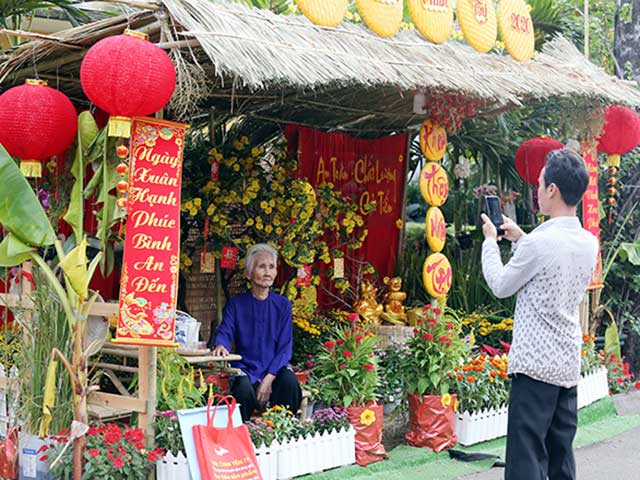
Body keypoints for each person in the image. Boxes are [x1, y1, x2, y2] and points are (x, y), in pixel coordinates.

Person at [480, 149, 598, 480]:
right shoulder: (588, 243)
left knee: (525, 459)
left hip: (534, 367)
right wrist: (522, 238)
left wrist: (491, 242)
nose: (537, 185)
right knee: (560, 457)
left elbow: (501, 285)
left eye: (541, 181)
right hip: (566, 364)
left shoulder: (540, 243)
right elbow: (552, 267)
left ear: (553, 190)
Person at [210, 243, 302, 422]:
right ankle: (242, 435)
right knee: (242, 388)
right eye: (261, 266)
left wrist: (268, 379)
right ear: (248, 273)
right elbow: (225, 331)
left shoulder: (283, 305)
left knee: (289, 382)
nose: (267, 272)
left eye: (271, 267)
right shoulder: (236, 305)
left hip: (274, 370)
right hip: (246, 368)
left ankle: (283, 430)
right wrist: (221, 344)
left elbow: (285, 348)